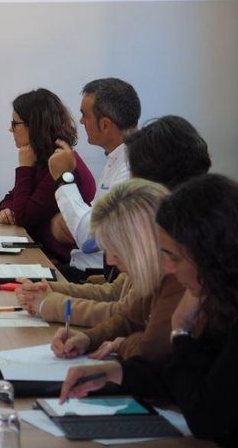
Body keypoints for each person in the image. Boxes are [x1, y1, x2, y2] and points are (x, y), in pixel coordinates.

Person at [60, 174, 238, 446]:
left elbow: (205, 416)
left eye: (175, 257)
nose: (169, 267)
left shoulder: (204, 302)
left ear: (209, 257)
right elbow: (178, 376)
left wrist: (181, 330)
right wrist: (113, 373)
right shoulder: (217, 298)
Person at [17, 114, 212, 323]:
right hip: (100, 279)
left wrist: (49, 303)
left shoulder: (174, 237)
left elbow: (88, 239)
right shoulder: (170, 219)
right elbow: (121, 292)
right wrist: (49, 290)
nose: (81, 121)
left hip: (90, 272)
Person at [48, 180, 184, 363]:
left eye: (117, 251)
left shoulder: (179, 279)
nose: (110, 260)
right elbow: (128, 319)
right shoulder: (155, 272)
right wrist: (89, 338)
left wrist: (123, 344)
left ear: (143, 246)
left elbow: (151, 352)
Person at [48, 78, 140, 281]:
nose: (81, 122)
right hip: (82, 270)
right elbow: (91, 225)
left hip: (95, 278)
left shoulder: (131, 168)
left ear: (105, 124)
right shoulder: (115, 158)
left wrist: (64, 180)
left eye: (84, 115)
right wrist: (70, 223)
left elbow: (88, 239)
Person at [0, 89, 96, 266]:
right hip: (44, 254)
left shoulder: (60, 163)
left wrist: (24, 168)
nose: (10, 129)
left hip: (65, 265)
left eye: (15, 123)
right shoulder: (41, 157)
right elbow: (12, 197)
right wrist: (5, 209)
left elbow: (24, 216)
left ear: (33, 126)